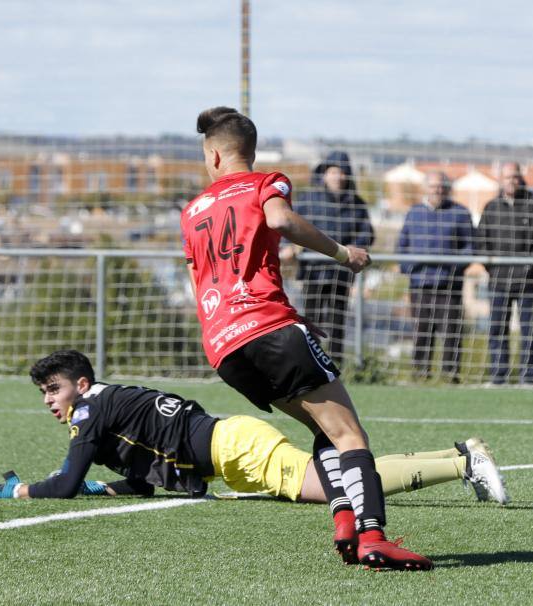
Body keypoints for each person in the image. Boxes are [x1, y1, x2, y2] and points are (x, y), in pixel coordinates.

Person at [178, 107, 429, 570]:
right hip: (268, 329)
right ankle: (374, 536)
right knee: (349, 433)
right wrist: (341, 253)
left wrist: (286, 317)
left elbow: (203, 281)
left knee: (321, 428)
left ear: (213, 155)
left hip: (224, 348)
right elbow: (280, 222)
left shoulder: (192, 211)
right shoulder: (264, 182)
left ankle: (345, 525)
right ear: (246, 152)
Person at [0, 350, 509, 557]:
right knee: (338, 480)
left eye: (53, 389)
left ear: (79, 382)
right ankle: (457, 457)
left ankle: (463, 459)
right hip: (233, 448)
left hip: (238, 451)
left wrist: (11, 489)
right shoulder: (107, 404)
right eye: (44, 393)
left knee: (339, 484)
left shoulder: (91, 414)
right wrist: (110, 486)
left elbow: (65, 484)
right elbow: (144, 480)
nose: (50, 401)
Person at [477, 163, 533, 385]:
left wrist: (528, 267)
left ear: (521, 178)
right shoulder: (491, 207)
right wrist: (493, 267)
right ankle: (498, 376)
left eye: (514, 177)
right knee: (496, 329)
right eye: (506, 177)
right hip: (498, 282)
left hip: (530, 282)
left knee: (530, 330)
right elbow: (481, 242)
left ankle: (528, 378)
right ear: (500, 180)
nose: (510, 181)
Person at [295, 151, 374, 364]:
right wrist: (287, 248)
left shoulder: (357, 204)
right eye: (332, 172)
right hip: (313, 271)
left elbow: (367, 233)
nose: (337, 176)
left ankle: (337, 364)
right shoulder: (309, 200)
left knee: (338, 321)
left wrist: (354, 248)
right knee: (311, 321)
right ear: (324, 174)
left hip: (341, 272)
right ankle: (311, 362)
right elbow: (291, 226)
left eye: (341, 172)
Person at [396, 171, 474, 382]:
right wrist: (409, 268)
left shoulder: (460, 213)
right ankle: (421, 374)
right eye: (433, 186)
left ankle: (450, 376)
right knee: (421, 331)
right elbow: (402, 245)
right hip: (420, 284)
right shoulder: (414, 213)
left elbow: (469, 247)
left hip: (449, 286)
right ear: (426, 188)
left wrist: (452, 270)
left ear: (447, 188)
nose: (437, 190)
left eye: (441, 186)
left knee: (451, 332)